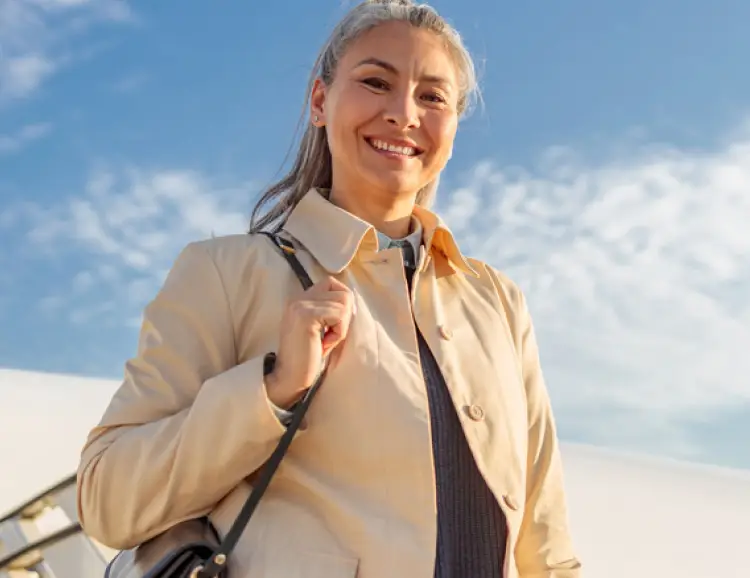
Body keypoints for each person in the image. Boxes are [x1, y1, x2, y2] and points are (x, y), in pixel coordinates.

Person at [75, 1, 582, 577]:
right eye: (375, 82)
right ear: (320, 101)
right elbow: (106, 499)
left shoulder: (496, 302)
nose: (403, 114)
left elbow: (546, 544)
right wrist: (271, 389)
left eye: (432, 97)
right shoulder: (225, 273)